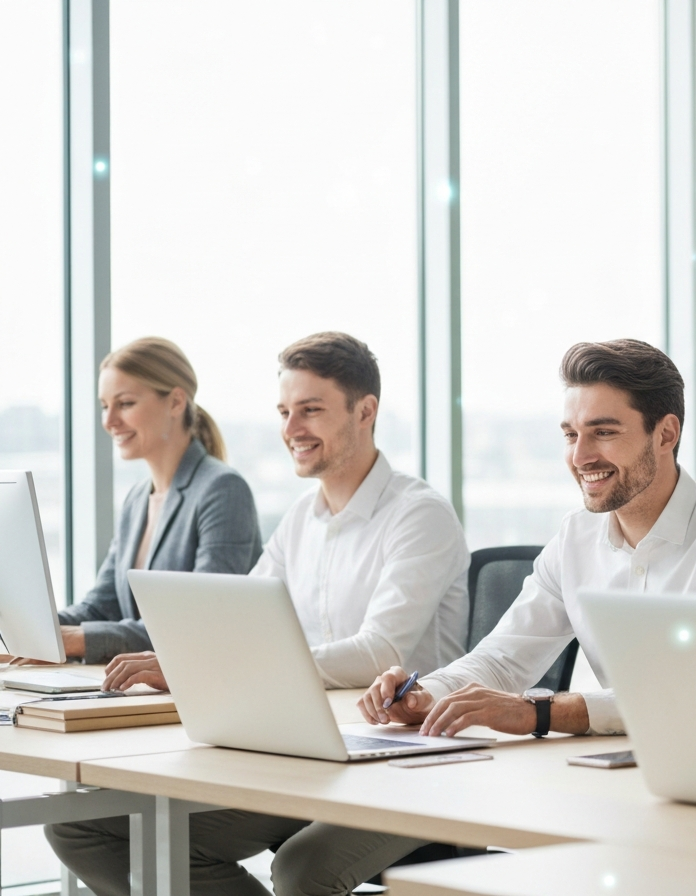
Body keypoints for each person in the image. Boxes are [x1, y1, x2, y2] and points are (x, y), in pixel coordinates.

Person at [326, 338, 696, 886]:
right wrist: (429, 694)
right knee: (312, 863)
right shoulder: (576, 537)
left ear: (666, 434)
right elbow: (500, 662)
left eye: (604, 432)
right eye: (571, 435)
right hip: (602, 787)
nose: (580, 456)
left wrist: (543, 712)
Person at [47, 332, 471, 896]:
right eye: (284, 412)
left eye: (311, 411)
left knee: (300, 870)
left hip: (404, 766)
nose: (291, 429)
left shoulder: (419, 516)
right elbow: (234, 625)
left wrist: (219, 668)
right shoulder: (301, 519)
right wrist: (183, 658)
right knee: (81, 827)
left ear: (365, 411)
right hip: (305, 750)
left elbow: (379, 653)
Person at [39, 337, 260, 665]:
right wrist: (35, 629)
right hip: (134, 685)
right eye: (104, 405)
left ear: (175, 402)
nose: (109, 420)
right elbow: (101, 606)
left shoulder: (223, 490)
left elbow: (199, 621)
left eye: (125, 403)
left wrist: (81, 639)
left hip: (192, 692)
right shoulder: (137, 499)